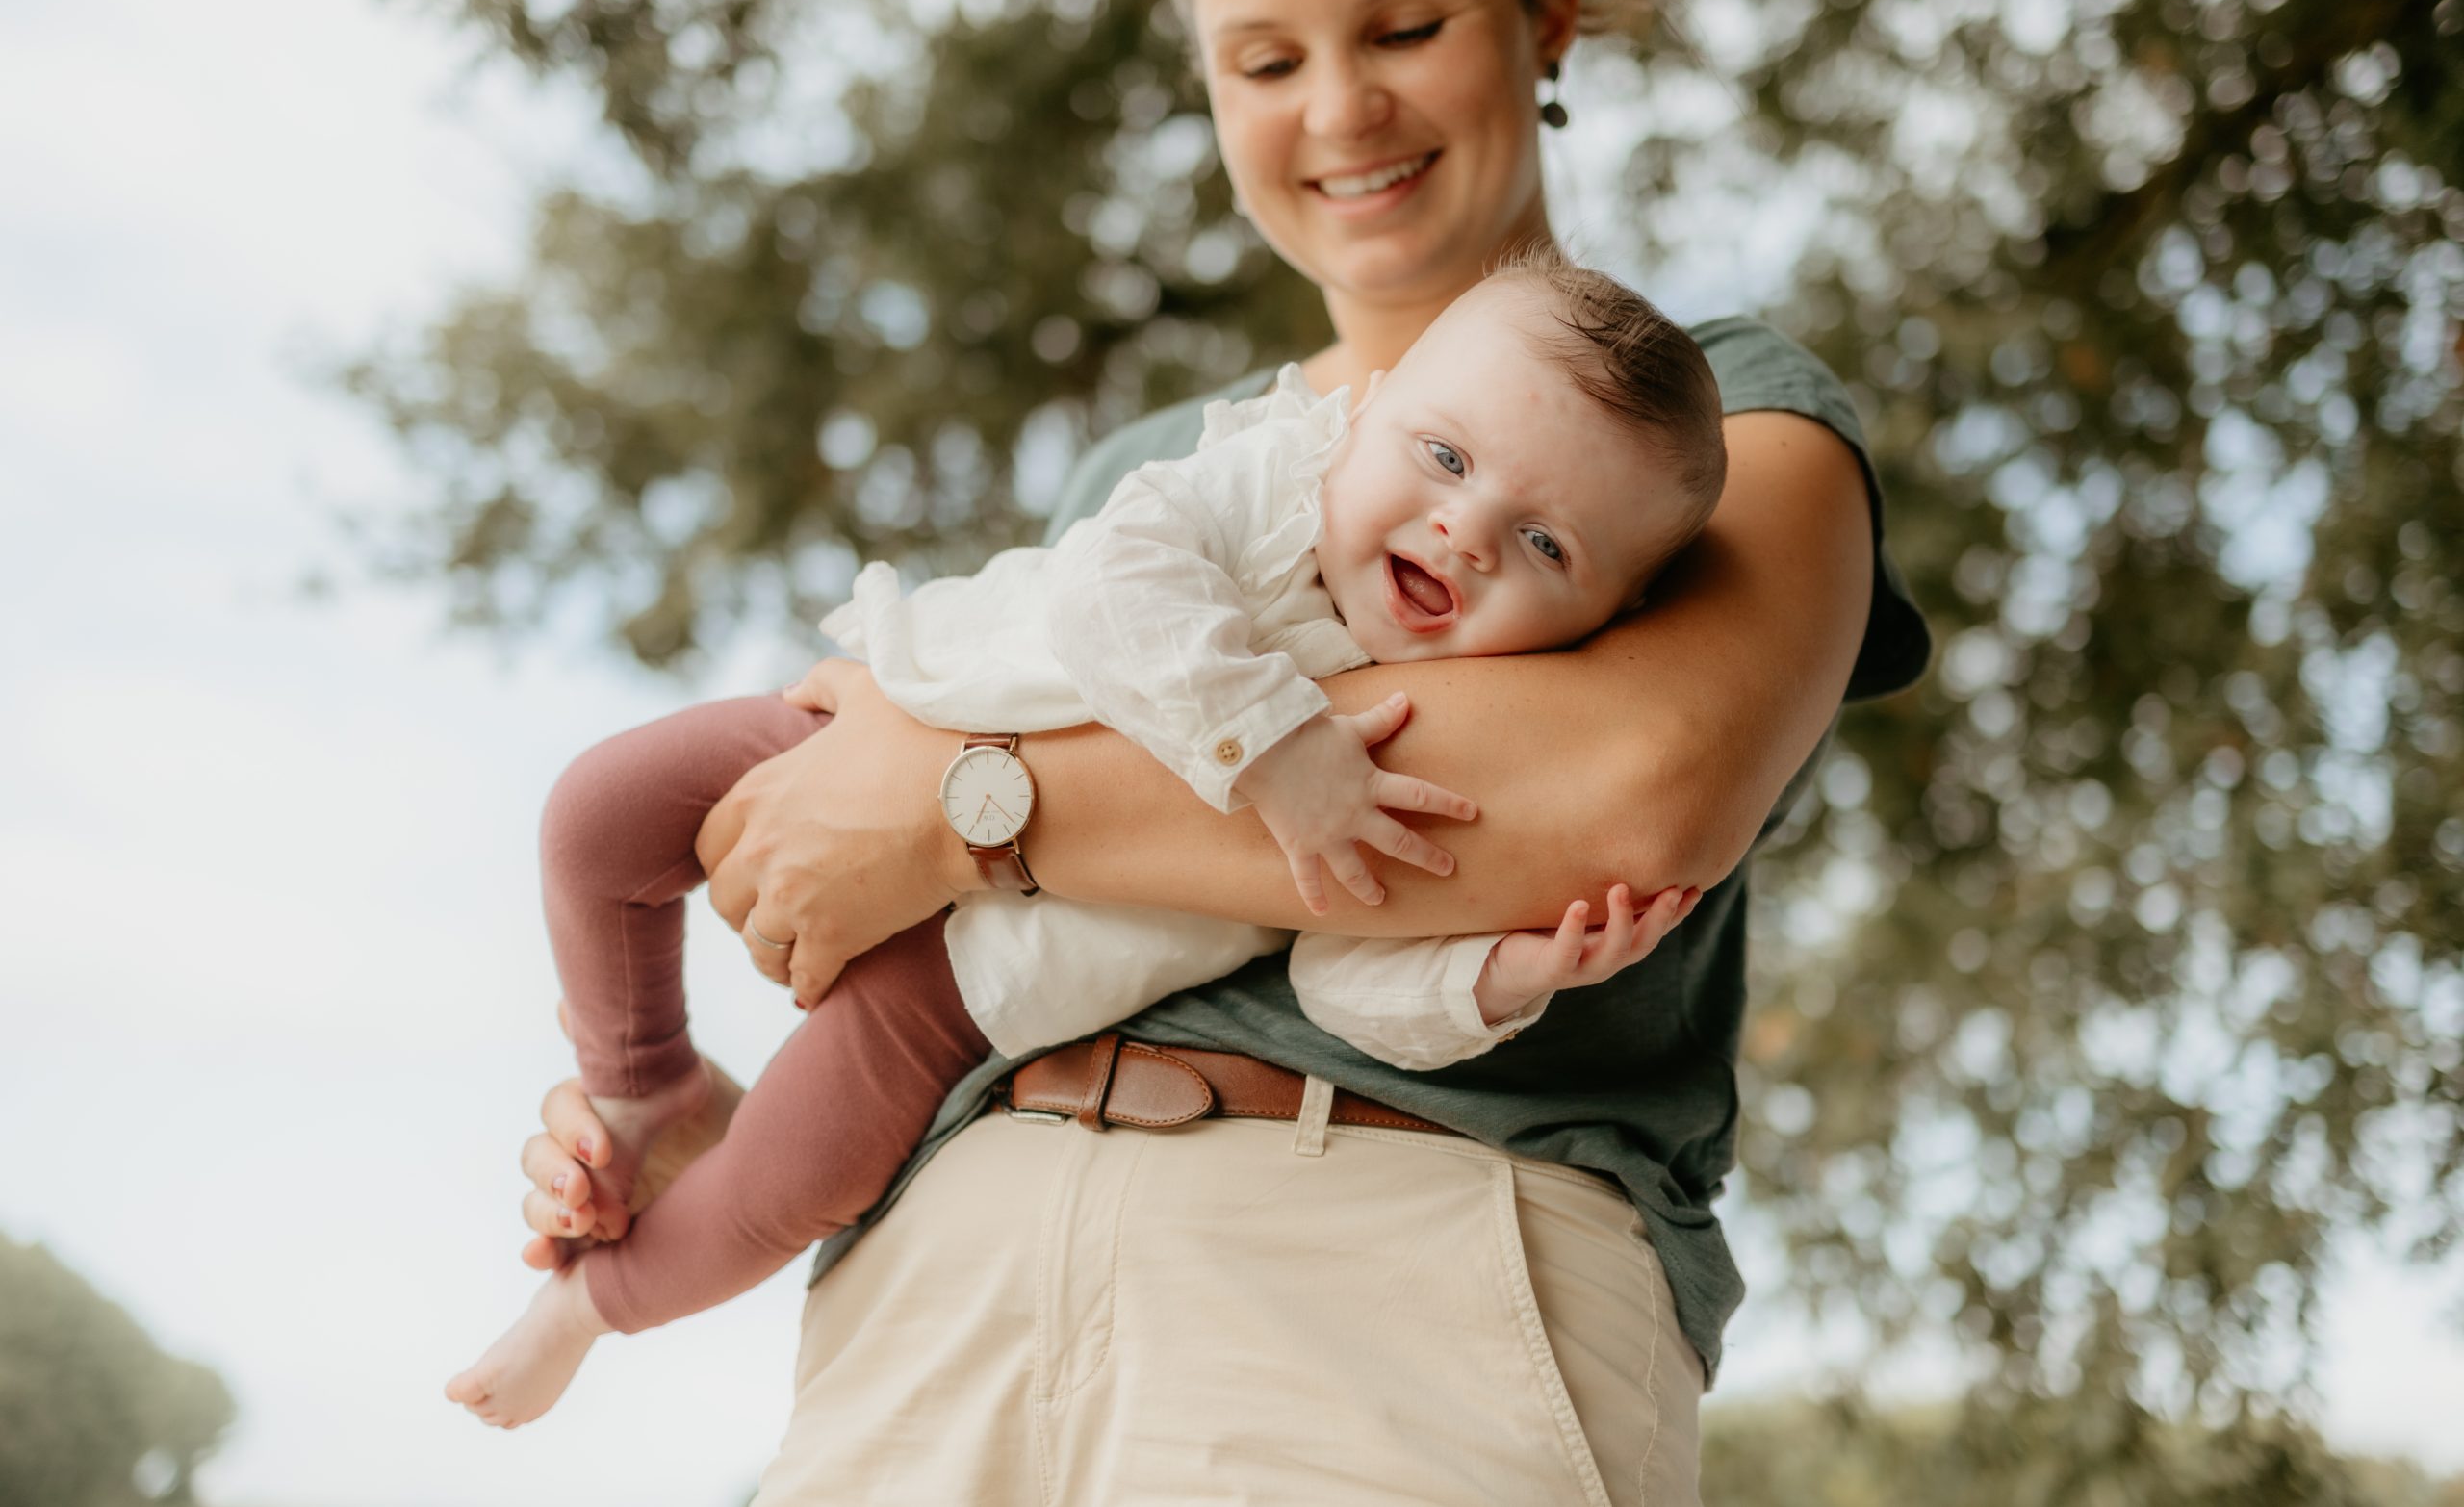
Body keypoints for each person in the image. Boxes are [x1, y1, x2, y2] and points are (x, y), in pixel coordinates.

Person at [507, 0, 1930, 1502]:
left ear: (1545, 18)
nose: (1340, 106)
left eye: (1406, 24)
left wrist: (970, 795)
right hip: (942, 1281)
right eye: (1262, 61)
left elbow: (1625, 795)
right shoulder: (1150, 472)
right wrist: (748, 1134)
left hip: (1397, 1268)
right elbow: (999, 942)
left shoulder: (1732, 421)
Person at [447, 254, 1724, 1428]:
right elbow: (1120, 579)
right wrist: (1277, 747)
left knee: (791, 1176)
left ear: (1602, 622)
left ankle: (588, 1306)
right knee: (598, 813)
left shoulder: (1424, 754)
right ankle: (641, 1073)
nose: (1467, 530)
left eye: (1546, 543)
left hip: (979, 989)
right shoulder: (1274, 479)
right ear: (1369, 409)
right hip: (913, 713)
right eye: (1443, 456)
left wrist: (1505, 976)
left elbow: (1345, 981)